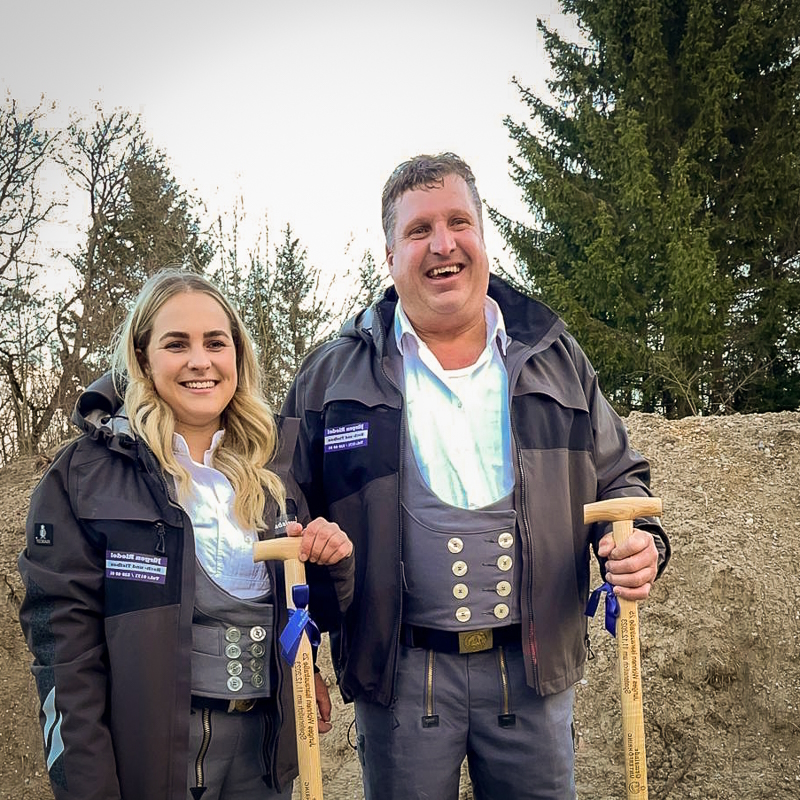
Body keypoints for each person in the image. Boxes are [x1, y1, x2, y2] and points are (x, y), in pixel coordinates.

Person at [282, 153, 670, 800]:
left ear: (482, 238)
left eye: (459, 221)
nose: (443, 244)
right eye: (418, 230)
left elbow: (621, 478)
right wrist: (291, 654)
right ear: (388, 256)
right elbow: (275, 507)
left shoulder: (555, 357)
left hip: (535, 674)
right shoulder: (330, 378)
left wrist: (643, 545)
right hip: (399, 680)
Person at [18, 268, 354, 800]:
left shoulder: (273, 472)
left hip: (266, 762)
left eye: (216, 343)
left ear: (237, 357)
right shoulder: (84, 477)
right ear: (143, 357)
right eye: (177, 344)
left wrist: (331, 562)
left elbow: (313, 616)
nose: (201, 361)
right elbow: (65, 661)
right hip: (154, 767)